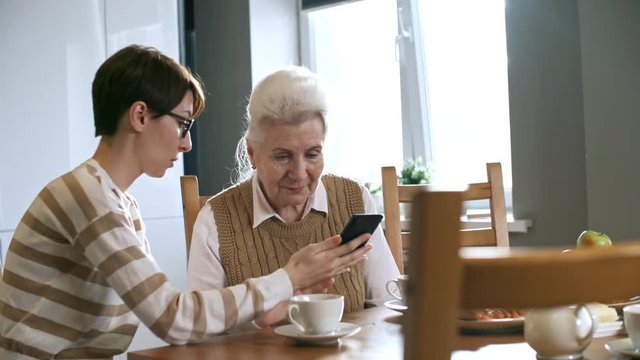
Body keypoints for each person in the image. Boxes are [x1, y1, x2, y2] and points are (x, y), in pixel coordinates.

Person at [0, 46, 371, 359]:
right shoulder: (88, 198)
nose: (186, 144)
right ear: (141, 115)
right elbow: (174, 319)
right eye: (183, 124)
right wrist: (290, 277)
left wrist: (273, 304)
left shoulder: (117, 202)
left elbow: (182, 317)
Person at [187, 66, 400, 328]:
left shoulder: (354, 200)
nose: (299, 174)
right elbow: (198, 333)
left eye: (312, 154)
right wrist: (262, 320)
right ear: (252, 153)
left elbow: (390, 305)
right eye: (283, 156)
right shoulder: (215, 221)